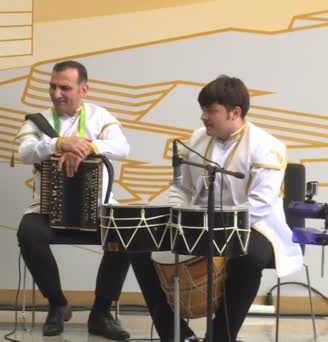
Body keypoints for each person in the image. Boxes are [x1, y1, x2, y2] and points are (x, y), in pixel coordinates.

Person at [131, 75, 304, 342]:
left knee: (248, 257)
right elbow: (181, 188)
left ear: (235, 113)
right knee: (139, 245)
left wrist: (213, 225)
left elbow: (258, 205)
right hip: (201, 221)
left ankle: (220, 336)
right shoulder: (198, 138)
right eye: (203, 109)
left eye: (211, 111)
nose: (203, 117)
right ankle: (175, 334)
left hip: (256, 226)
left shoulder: (268, 146)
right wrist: (179, 216)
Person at [15, 60, 131, 341]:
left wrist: (86, 146)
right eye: (52, 86)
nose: (56, 94)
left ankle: (101, 313)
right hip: (47, 208)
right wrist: (57, 144)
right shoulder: (37, 121)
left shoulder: (100, 117)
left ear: (83, 90)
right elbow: (24, 152)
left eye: (65, 87)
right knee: (28, 233)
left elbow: (123, 147)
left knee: (127, 234)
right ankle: (57, 303)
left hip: (98, 207)